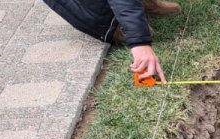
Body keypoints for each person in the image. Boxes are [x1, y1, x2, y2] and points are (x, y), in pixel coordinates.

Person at [43, 0, 181, 83]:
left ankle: (145, 3)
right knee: (129, 27)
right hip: (94, 11)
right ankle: (116, 22)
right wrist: (139, 41)